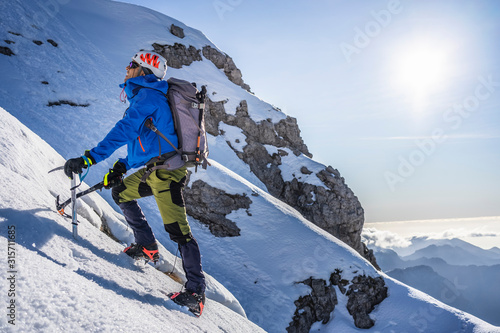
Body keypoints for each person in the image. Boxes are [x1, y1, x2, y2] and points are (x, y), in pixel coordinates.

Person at [64, 50, 206, 313]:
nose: (127, 68)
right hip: (153, 170)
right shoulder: (147, 96)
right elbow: (145, 142)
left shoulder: (149, 96)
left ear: (144, 71)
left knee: (179, 231)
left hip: (166, 174)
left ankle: (196, 292)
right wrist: (123, 165)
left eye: (132, 64)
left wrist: (89, 159)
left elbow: (125, 130)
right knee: (120, 191)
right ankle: (148, 247)